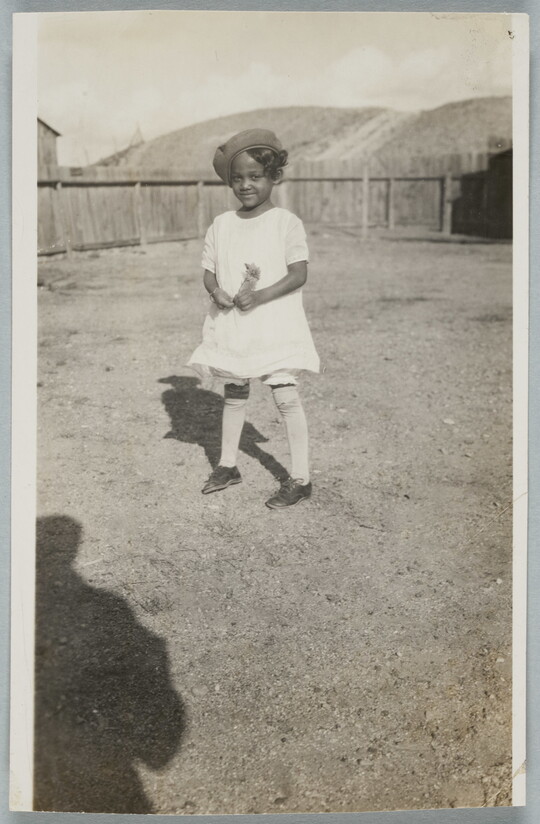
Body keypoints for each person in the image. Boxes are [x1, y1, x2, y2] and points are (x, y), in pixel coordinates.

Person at [187, 128, 319, 509]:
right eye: (237, 178)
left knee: (284, 393)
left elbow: (298, 274)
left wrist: (259, 295)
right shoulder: (221, 225)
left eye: (255, 176)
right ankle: (228, 465)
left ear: (274, 176)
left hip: (273, 322)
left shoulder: (285, 222)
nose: (245, 185)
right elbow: (209, 271)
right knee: (235, 389)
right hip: (235, 323)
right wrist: (218, 293)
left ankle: (301, 477)